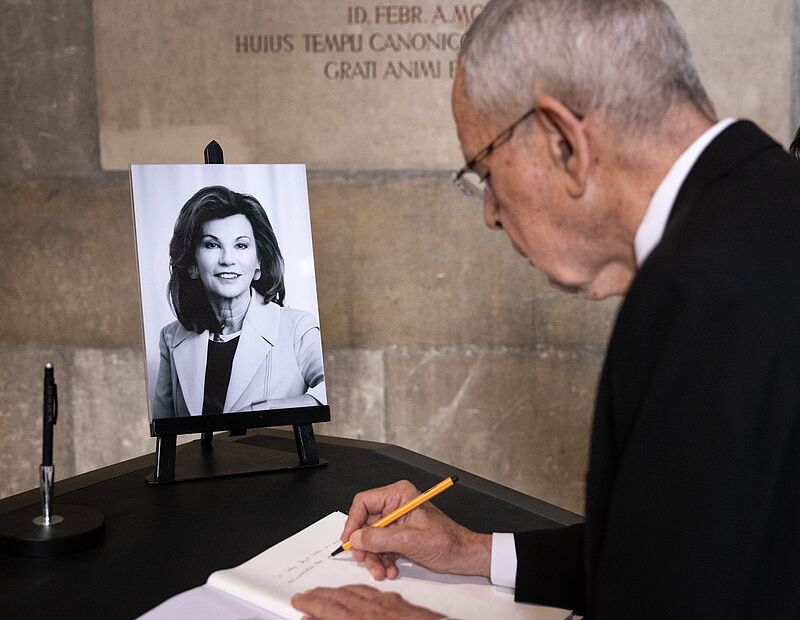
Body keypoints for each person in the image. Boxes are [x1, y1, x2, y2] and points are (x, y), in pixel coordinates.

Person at [292, 0, 800, 618]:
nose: (489, 213)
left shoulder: (698, 294)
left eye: (484, 170)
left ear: (563, 142)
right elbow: (682, 555)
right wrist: (472, 550)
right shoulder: (766, 210)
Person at [151, 185, 324, 418]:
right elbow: (164, 426)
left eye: (241, 245)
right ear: (192, 264)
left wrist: (258, 412)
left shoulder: (299, 329)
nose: (227, 259)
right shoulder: (170, 337)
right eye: (212, 245)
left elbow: (329, 392)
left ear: (259, 261)